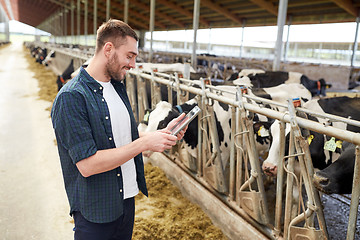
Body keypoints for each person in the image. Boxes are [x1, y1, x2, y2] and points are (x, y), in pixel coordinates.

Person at [51, 19, 187, 240]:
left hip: (126, 200)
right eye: (130, 56)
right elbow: (87, 165)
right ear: (108, 49)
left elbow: (123, 139)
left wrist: (156, 135)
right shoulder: (71, 97)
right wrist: (143, 143)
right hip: (96, 212)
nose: (133, 64)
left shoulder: (117, 87)